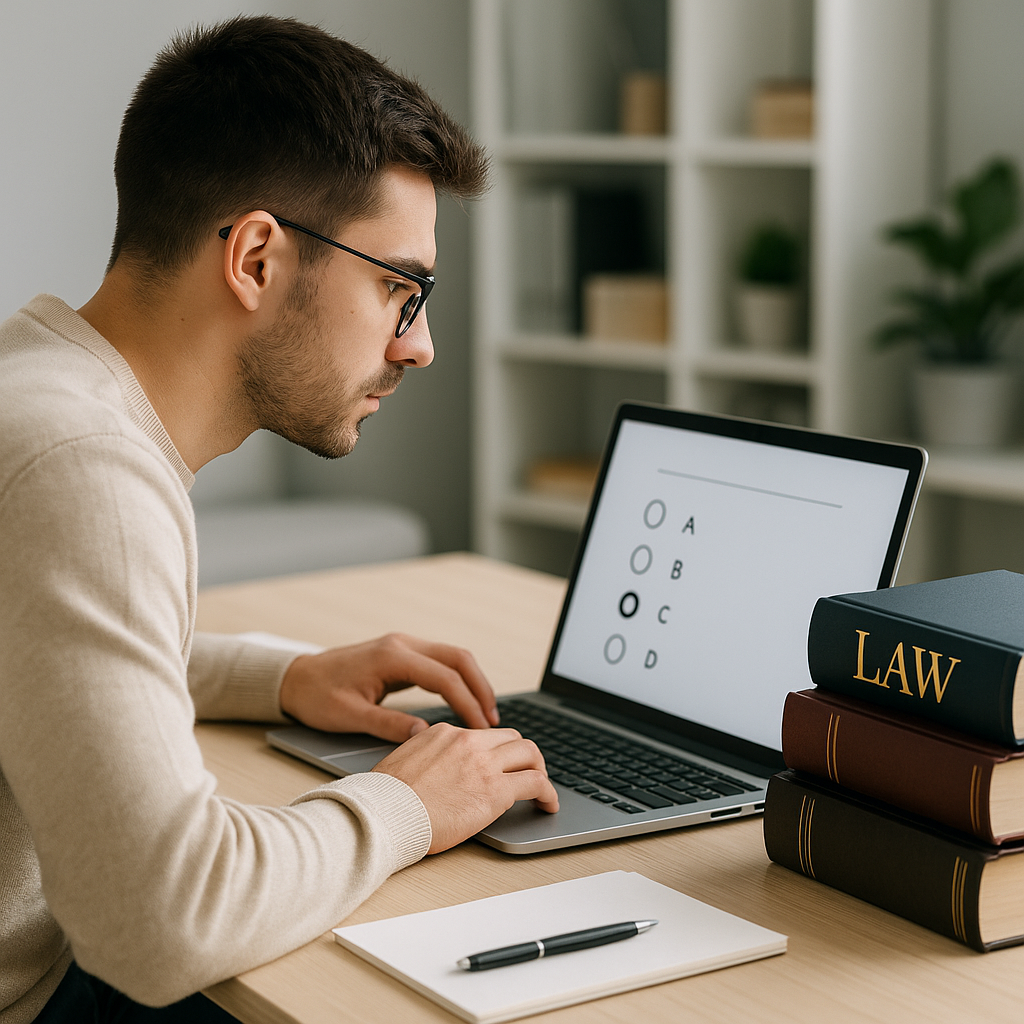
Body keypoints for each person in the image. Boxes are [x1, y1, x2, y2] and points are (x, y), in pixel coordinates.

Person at [0, 15, 559, 1023]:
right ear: (256, 256)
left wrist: (284, 676)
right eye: (400, 288)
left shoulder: (36, 383)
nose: (419, 344)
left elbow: (37, 643)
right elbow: (159, 920)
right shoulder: (82, 466)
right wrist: (407, 804)